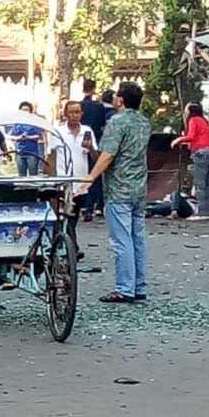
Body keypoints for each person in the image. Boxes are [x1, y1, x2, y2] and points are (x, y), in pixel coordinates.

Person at [80, 82, 151, 304]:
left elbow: (108, 155)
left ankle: (124, 288)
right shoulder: (144, 122)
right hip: (139, 187)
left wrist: (90, 178)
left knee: (121, 241)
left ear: (120, 100)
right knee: (137, 238)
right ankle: (139, 285)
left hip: (119, 187)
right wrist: (92, 150)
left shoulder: (117, 122)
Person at [47, 101, 97, 260]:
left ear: (82, 114)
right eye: (72, 112)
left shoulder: (87, 131)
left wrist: (90, 148)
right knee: (64, 216)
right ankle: (71, 247)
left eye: (77, 112)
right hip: (63, 180)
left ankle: (66, 244)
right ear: (66, 114)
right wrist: (51, 178)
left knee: (73, 218)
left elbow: (95, 157)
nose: (75, 115)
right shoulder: (58, 132)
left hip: (81, 182)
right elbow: (51, 156)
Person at [171, 102, 209, 220]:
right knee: (208, 184)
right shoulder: (204, 120)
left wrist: (178, 140)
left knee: (200, 184)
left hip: (201, 153)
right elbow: (199, 138)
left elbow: (191, 136)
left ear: (191, 111)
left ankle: (200, 213)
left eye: (186, 109)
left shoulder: (193, 120)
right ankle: (207, 211)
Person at [81, 79, 107, 222]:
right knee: (95, 175)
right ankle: (95, 206)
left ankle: (83, 205)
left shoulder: (79, 106)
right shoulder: (99, 107)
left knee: (81, 174)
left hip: (80, 143)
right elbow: (103, 126)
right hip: (95, 142)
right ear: (94, 88)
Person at [10, 101, 44, 176]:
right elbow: (11, 136)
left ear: (30, 111)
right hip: (20, 153)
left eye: (26, 110)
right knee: (21, 176)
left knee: (33, 175)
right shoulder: (17, 123)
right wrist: (19, 137)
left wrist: (28, 137)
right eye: (23, 110)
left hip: (32, 153)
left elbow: (39, 136)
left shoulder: (34, 122)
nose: (24, 112)